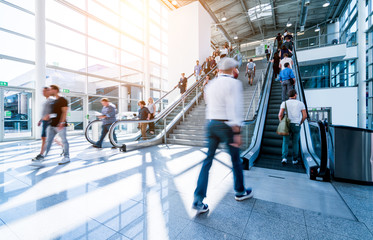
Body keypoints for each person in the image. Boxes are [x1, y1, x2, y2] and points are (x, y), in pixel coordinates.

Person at [192, 57, 253, 214]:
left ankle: (198, 199)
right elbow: (235, 108)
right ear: (233, 70)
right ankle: (240, 191)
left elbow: (207, 101)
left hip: (211, 124)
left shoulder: (211, 84)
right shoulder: (234, 83)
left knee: (207, 161)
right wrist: (237, 132)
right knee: (235, 160)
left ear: (219, 69)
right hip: (226, 125)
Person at [31, 85, 70, 166]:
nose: (49, 91)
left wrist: (62, 122)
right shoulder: (54, 101)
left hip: (60, 125)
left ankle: (66, 157)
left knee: (64, 140)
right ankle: (42, 157)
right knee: (48, 141)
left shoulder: (63, 100)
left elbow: (64, 112)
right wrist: (47, 116)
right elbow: (53, 113)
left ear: (55, 90)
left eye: (51, 89)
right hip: (52, 125)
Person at [278, 89, 307, 165]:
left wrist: (282, 123)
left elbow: (280, 115)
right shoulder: (301, 103)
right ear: (295, 95)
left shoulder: (284, 103)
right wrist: (300, 122)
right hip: (296, 124)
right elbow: (305, 116)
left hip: (287, 125)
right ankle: (294, 160)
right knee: (295, 143)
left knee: (285, 142)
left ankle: (284, 158)